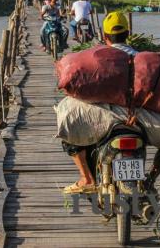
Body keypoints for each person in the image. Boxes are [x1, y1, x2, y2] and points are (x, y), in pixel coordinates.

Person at [62, 11, 137, 194]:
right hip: (135, 115)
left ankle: (87, 178)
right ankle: (148, 180)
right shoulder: (141, 57)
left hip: (105, 113)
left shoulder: (97, 56)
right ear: (128, 33)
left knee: (69, 133)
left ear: (104, 36)